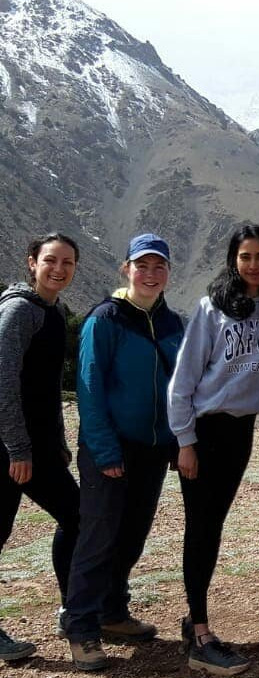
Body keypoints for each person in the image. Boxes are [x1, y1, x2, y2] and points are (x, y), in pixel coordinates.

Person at [62, 233, 185, 671]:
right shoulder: (106, 318)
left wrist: (176, 440)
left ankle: (113, 611)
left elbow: (179, 388)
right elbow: (90, 389)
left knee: (132, 534)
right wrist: (104, 449)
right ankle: (81, 628)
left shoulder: (173, 323)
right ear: (126, 269)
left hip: (152, 449)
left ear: (168, 273)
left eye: (159, 267)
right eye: (142, 265)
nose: (150, 274)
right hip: (109, 448)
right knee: (97, 538)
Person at [168, 225, 259, 675]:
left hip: (241, 433)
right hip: (205, 430)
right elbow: (183, 380)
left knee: (213, 527)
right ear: (232, 261)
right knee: (200, 528)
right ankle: (200, 635)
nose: (253, 264)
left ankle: (193, 619)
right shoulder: (211, 309)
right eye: (245, 256)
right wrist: (185, 441)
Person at [0, 233, 81, 662]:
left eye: (67, 262)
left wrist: (58, 444)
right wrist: (17, 449)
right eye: (51, 260)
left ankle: (74, 610)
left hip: (38, 448)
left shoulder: (53, 311)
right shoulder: (17, 312)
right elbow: (4, 383)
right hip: (9, 447)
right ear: (32, 262)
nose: (59, 269)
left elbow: (47, 391)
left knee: (77, 516)